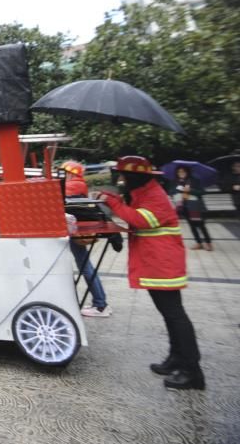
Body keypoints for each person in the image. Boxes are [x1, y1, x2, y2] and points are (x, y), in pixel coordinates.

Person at [95, 155, 204, 390]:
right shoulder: (144, 191)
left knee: (174, 314)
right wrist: (115, 198)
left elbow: (142, 219)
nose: (121, 179)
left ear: (134, 177)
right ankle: (176, 359)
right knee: (169, 314)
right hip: (156, 261)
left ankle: (192, 371)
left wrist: (113, 204)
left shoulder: (153, 195)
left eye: (124, 175)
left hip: (162, 262)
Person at [62, 161, 110, 318]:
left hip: (71, 230)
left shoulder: (72, 185)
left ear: (70, 172)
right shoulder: (79, 183)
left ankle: (100, 304)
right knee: (85, 265)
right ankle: (100, 302)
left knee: (85, 266)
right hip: (76, 230)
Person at [170, 166, 212, 251]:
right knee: (192, 225)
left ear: (187, 172)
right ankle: (198, 243)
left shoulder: (194, 180)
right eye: (179, 172)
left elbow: (202, 192)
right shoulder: (176, 181)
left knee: (200, 225)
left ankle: (208, 243)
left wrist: (190, 190)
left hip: (195, 206)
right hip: (183, 206)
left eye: (183, 172)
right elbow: (170, 191)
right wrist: (177, 190)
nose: (181, 173)